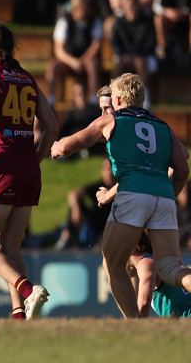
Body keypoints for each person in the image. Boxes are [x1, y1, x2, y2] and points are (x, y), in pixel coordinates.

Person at [51, 72, 191, 318]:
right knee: (169, 268)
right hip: (164, 196)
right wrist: (167, 197)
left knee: (113, 263)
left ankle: (135, 326)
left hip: (132, 194)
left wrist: (56, 146)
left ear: (116, 100)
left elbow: (69, 145)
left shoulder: (111, 120)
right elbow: (183, 168)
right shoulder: (164, 126)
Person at [0, 21, 59, 320]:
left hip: (3, 164)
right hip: (28, 167)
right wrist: (36, 159)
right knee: (10, 247)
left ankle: (28, 291)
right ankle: (19, 311)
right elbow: (52, 127)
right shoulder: (28, 78)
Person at [45, 0, 103, 106]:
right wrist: (73, 62)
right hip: (68, 60)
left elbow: (96, 45)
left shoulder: (95, 21)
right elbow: (59, 50)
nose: (86, 9)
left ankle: (93, 100)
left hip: (87, 60)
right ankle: (50, 99)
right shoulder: (64, 22)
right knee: (53, 66)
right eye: (82, 7)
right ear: (74, 9)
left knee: (93, 65)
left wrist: (83, 60)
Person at [54, 158, 116, 250]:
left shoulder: (118, 188)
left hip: (112, 223)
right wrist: (76, 209)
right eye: (106, 168)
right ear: (102, 171)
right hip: (95, 222)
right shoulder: (98, 186)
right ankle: (67, 236)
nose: (109, 172)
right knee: (76, 205)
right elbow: (74, 194)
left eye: (111, 168)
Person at [110, 0, 156, 108]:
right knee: (119, 64)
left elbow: (150, 43)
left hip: (144, 56)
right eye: (128, 7)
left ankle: (146, 97)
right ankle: (113, 95)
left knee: (140, 62)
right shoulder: (118, 23)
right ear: (123, 9)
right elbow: (115, 44)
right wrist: (124, 55)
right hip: (125, 56)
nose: (132, 10)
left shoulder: (147, 21)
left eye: (134, 7)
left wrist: (135, 55)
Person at [152, 0, 191, 64]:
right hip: (170, 20)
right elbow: (156, 5)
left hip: (188, 19)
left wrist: (185, 12)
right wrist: (167, 12)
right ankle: (164, 52)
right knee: (158, 19)